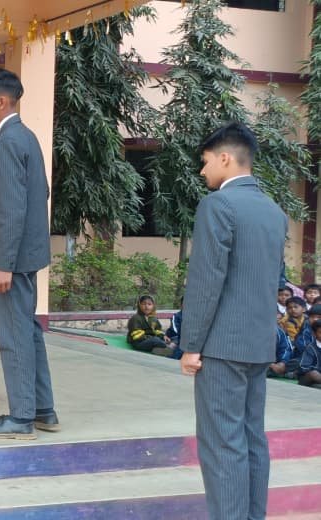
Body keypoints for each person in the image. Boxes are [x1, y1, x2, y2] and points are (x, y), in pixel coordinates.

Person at [180, 122, 286, 520]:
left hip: (221, 347)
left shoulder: (219, 205)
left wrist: (191, 345)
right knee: (251, 438)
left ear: (225, 158)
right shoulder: (273, 211)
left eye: (205, 161)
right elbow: (274, 280)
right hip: (258, 344)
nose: (203, 170)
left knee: (222, 444)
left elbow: (206, 282)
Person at [0, 68, 56, 440]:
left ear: (1, 102)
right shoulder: (26, 136)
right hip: (29, 254)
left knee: (13, 335)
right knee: (28, 332)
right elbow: (40, 191)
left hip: (13, 260)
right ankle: (42, 410)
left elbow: (13, 210)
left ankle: (20, 418)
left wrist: (3, 265)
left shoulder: (6, 141)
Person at [298, 320, 321, 388]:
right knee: (314, 374)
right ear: (314, 334)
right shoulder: (310, 348)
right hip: (307, 378)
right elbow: (304, 367)